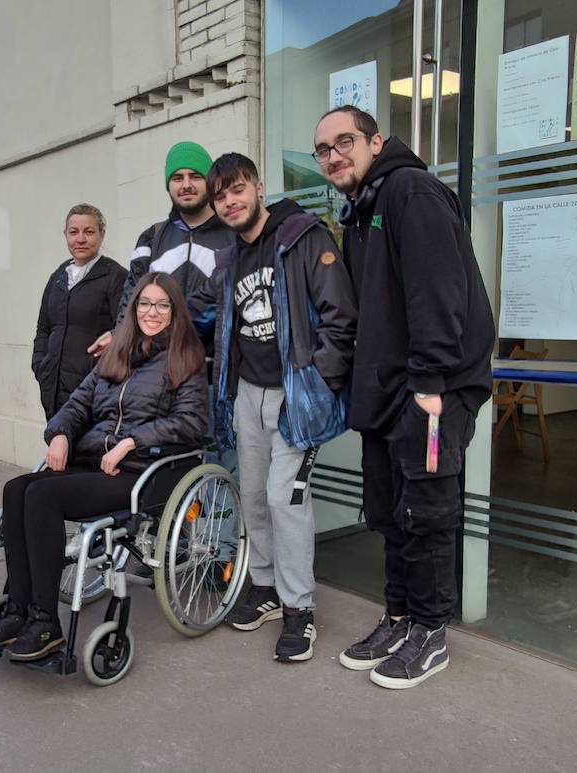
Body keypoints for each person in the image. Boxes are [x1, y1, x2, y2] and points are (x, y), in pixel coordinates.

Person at [314, 106, 493, 689]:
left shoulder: (411, 192)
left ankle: (430, 632)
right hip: (389, 394)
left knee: (428, 515)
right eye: (324, 149)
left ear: (375, 142)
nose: (335, 155)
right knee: (392, 515)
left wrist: (430, 385)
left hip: (429, 393)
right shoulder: (364, 209)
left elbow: (439, 292)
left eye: (345, 142)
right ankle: (398, 617)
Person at [0, 272, 209, 661]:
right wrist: (59, 433)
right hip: (93, 460)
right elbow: (77, 404)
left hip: (138, 472)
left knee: (43, 495)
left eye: (162, 304)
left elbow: (192, 422)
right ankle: (18, 608)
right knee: (17, 489)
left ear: (174, 311)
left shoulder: (186, 359)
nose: (152, 311)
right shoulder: (117, 354)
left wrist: (133, 440)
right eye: (145, 303)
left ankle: (46, 622)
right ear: (134, 309)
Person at [196, 153, 357, 663]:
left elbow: (341, 318)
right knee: (254, 495)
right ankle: (264, 587)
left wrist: (315, 384)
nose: (230, 201)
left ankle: (299, 610)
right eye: (221, 196)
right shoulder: (228, 260)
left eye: (238, 189)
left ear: (259, 187)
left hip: (294, 394)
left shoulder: (301, 237)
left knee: (287, 501)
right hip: (248, 392)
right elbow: (199, 316)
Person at [88, 141, 234, 355]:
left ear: (210, 182)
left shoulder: (233, 236)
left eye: (195, 176)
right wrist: (119, 334)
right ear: (168, 185)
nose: (186, 185)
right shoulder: (151, 238)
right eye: (177, 178)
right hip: (158, 366)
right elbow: (132, 296)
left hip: (215, 371)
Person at [32, 203, 127, 419]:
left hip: (92, 390)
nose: (81, 239)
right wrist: (41, 365)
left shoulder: (116, 276)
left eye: (89, 231)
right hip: (54, 386)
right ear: (65, 235)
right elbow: (43, 327)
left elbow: (123, 329)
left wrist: (103, 375)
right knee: (58, 448)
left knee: (87, 451)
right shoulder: (58, 276)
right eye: (73, 232)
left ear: (102, 235)